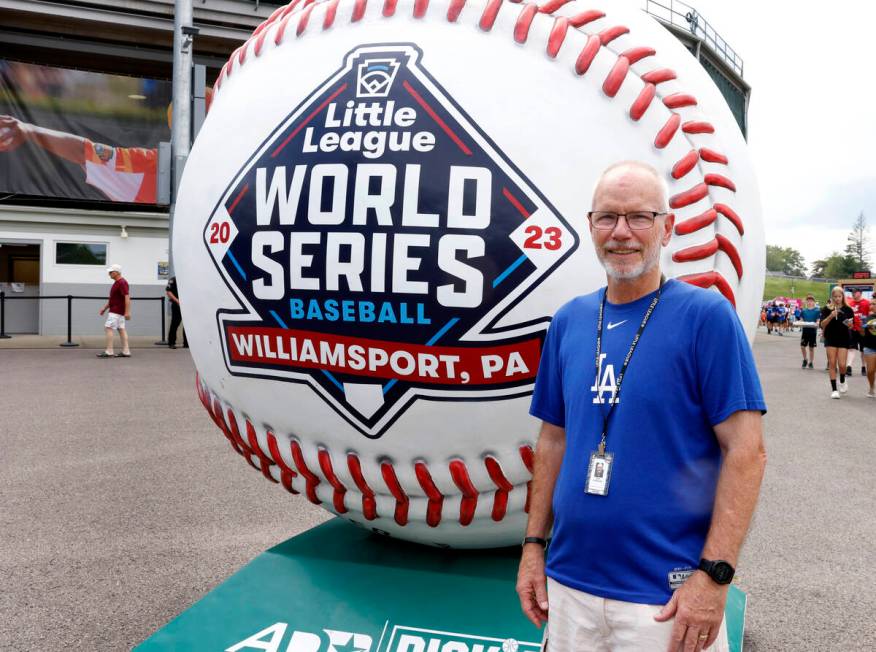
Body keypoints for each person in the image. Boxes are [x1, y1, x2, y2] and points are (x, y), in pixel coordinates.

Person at [517, 161, 767, 652]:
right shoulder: (570, 321)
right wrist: (532, 548)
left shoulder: (706, 317)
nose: (622, 233)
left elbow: (747, 451)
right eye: (608, 217)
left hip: (665, 597)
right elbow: (553, 440)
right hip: (568, 586)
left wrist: (714, 577)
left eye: (640, 217)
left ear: (667, 227)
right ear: (590, 226)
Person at [0, 114, 157, 203]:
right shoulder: (155, 164)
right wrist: (30, 131)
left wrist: (30, 131)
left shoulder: (157, 164)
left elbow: (84, 152)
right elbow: (84, 152)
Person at [820, 286, 854, 399]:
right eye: (835, 297)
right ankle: (834, 390)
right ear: (832, 297)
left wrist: (849, 323)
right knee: (832, 363)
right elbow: (822, 324)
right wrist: (830, 316)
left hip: (843, 338)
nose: (837, 299)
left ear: (842, 297)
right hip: (830, 338)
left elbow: (850, 325)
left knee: (843, 365)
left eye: (839, 296)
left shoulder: (848, 309)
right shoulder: (826, 309)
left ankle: (843, 380)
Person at [97, 263, 131, 358]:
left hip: (116, 311)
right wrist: (104, 308)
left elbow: (127, 297)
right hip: (117, 311)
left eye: (111, 272)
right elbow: (113, 299)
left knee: (108, 328)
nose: (109, 274)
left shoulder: (122, 282)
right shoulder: (118, 283)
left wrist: (127, 312)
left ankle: (109, 351)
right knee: (121, 329)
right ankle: (126, 351)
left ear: (116, 272)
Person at [847, 289, 871, 376]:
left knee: (863, 350)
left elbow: (871, 316)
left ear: (860, 293)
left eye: (855, 292)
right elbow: (845, 317)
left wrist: (867, 326)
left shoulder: (867, 303)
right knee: (851, 348)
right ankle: (849, 367)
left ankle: (863, 367)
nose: (853, 294)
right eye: (852, 292)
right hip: (852, 330)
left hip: (863, 330)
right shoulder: (849, 303)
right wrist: (848, 325)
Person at [165, 275, 188, 349]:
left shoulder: (188, 279)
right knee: (175, 323)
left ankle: (187, 343)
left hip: (187, 305)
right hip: (177, 305)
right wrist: (177, 301)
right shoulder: (173, 280)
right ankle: (171, 342)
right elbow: (168, 292)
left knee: (188, 324)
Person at [799, 295, 821, 369]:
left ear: (814, 302)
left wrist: (818, 323)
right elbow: (801, 320)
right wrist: (800, 323)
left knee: (811, 348)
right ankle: (805, 359)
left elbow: (818, 320)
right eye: (808, 301)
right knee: (802, 346)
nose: (810, 302)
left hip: (812, 331)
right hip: (805, 331)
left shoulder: (817, 310)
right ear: (806, 302)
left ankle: (811, 362)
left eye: (811, 301)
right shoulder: (803, 311)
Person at [862, 302, 876, 398]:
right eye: (871, 304)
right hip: (870, 347)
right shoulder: (867, 318)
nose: (872, 305)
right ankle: (872, 387)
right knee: (870, 371)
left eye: (874, 304)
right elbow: (863, 332)